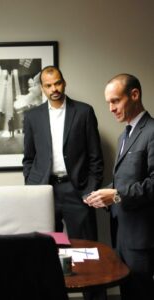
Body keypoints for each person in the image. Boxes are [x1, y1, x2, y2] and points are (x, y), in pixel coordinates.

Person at [84, 74, 154, 300]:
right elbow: (125, 180)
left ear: (135, 95)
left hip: (142, 238)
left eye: (115, 101)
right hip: (122, 236)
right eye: (108, 103)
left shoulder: (152, 131)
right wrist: (101, 195)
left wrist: (115, 195)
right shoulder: (124, 135)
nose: (111, 108)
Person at [22, 66, 104, 241]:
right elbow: (29, 158)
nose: (54, 89)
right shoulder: (32, 117)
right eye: (48, 85)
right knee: (45, 247)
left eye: (57, 83)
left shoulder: (84, 112)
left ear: (64, 83)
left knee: (85, 247)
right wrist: (32, 185)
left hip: (77, 189)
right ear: (42, 88)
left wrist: (90, 189)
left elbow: (95, 157)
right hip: (44, 189)